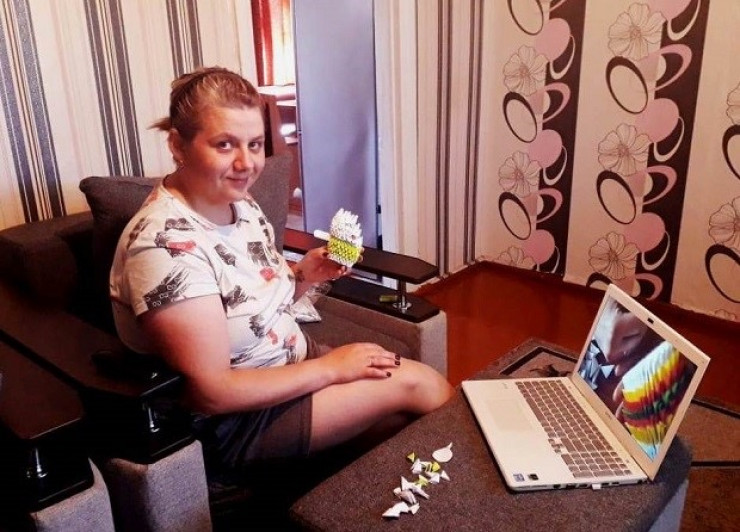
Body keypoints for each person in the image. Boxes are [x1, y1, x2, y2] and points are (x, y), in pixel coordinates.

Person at [109, 67, 454, 477]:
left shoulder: (240, 203)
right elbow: (211, 393)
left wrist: (303, 275)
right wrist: (331, 368)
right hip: (240, 420)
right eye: (224, 144)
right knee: (421, 384)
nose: (246, 163)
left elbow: (253, 304)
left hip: (292, 364)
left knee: (404, 425)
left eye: (255, 144)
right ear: (177, 146)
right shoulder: (165, 245)